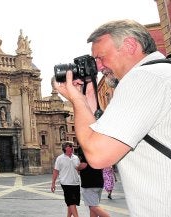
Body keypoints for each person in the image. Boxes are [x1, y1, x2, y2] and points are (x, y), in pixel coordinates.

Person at [52, 19, 171, 216]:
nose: (98, 67)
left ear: (130, 45)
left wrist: (77, 100)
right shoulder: (162, 73)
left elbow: (98, 155)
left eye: (100, 57)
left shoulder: (143, 78)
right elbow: (106, 135)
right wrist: (88, 98)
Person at [77, 149, 110, 217]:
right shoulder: (97, 160)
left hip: (89, 187)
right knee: (93, 207)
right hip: (99, 186)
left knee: (93, 207)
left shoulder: (83, 163)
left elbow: (77, 168)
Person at [51, 142, 80, 217]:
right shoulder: (60, 158)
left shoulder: (76, 158)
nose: (72, 147)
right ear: (65, 148)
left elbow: (78, 170)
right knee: (71, 202)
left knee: (71, 203)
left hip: (76, 182)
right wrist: (53, 183)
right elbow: (56, 171)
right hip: (66, 183)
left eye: (72, 146)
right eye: (70, 146)